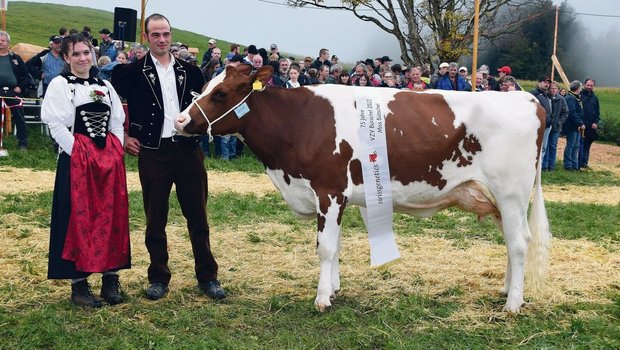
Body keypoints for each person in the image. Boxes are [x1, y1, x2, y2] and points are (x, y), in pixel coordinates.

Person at [111, 13, 226, 301]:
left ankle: (208, 276)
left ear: (171, 35)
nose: (161, 40)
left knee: (198, 216)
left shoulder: (191, 72)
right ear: (146, 37)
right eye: (155, 35)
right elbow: (113, 105)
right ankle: (158, 277)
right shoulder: (132, 72)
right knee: (155, 219)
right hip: (153, 152)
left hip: (188, 151)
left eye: (166, 34)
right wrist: (123, 135)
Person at [41, 34, 130, 308]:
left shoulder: (105, 85)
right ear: (66, 58)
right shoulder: (60, 85)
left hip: (108, 162)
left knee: (110, 216)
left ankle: (110, 278)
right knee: (76, 219)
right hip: (77, 161)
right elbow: (56, 126)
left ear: (92, 55)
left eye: (86, 53)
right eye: (76, 54)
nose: (82, 58)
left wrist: (115, 150)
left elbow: (116, 122)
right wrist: (81, 154)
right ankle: (79, 285)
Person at [0, 31, 32, 151]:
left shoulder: (15, 58)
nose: (0, 42)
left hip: (13, 92)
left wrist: (20, 87)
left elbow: (27, 76)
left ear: (8, 43)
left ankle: (22, 142)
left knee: (19, 117)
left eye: (3, 40)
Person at [542, 82, 568, 171]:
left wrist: (559, 122)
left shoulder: (561, 99)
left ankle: (551, 166)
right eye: (551, 88)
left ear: (558, 89)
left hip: (556, 127)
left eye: (555, 88)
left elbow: (565, 112)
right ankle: (544, 166)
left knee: (553, 146)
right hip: (547, 125)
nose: (553, 90)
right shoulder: (546, 98)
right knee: (545, 145)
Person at [530, 76, 552, 167]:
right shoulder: (533, 93)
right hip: (537, 125)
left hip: (546, 124)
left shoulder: (547, 94)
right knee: (535, 146)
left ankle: (540, 165)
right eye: (544, 82)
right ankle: (533, 166)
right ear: (539, 83)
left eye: (548, 83)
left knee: (543, 147)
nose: (546, 84)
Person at [563, 80, 585, 171]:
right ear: (577, 88)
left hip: (576, 126)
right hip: (571, 126)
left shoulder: (576, 98)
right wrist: (580, 123)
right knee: (571, 145)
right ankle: (568, 164)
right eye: (580, 88)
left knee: (576, 145)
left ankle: (574, 164)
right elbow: (572, 113)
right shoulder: (570, 98)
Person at [578, 78, 600, 169]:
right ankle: (578, 163)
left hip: (591, 125)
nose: (589, 87)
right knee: (579, 144)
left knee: (587, 145)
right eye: (588, 85)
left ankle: (585, 163)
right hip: (581, 124)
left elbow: (597, 112)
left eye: (591, 86)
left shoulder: (595, 98)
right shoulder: (579, 96)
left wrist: (595, 122)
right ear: (584, 84)